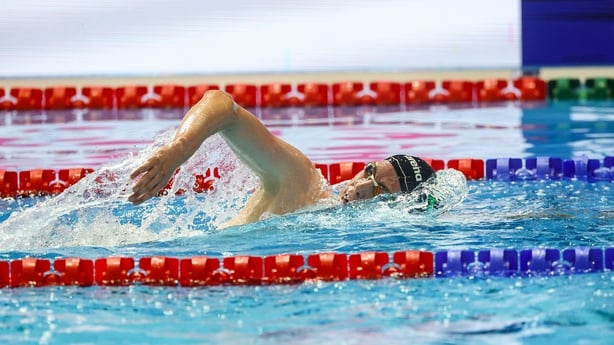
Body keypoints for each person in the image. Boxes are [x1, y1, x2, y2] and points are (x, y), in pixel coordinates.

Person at [129, 90, 436, 227]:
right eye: (369, 172)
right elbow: (223, 105)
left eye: (381, 192)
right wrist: (180, 148)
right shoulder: (302, 185)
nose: (359, 188)